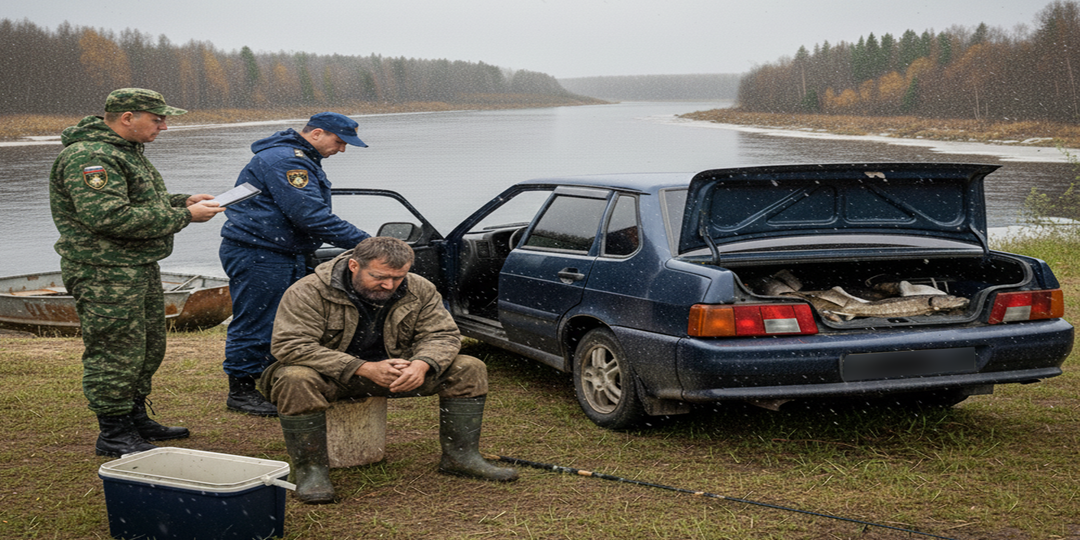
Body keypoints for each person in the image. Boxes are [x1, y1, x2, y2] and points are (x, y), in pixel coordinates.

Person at [258, 237, 518, 504]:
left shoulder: (420, 288)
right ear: (353, 265)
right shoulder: (308, 291)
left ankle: (461, 457)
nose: (389, 285)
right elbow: (290, 345)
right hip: (330, 376)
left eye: (398, 277)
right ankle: (310, 472)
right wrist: (362, 367)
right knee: (295, 378)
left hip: (396, 374)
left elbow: (444, 334)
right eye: (379, 276)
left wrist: (423, 363)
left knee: (470, 368)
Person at [49, 88, 226, 457]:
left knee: (146, 347)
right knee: (115, 350)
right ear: (127, 117)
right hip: (103, 271)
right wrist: (184, 217)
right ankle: (113, 432)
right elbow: (108, 216)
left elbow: (137, 201)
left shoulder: (124, 152)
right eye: (156, 118)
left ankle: (133, 417)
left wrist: (183, 201)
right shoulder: (90, 156)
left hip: (135, 266)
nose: (163, 125)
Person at [218, 112, 371, 417]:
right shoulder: (287, 161)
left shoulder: (296, 157)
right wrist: (367, 244)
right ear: (316, 134)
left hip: (279, 249)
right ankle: (242, 389)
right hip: (260, 252)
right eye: (339, 141)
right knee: (258, 320)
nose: (341, 150)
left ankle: (274, 378)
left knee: (290, 318)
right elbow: (310, 216)